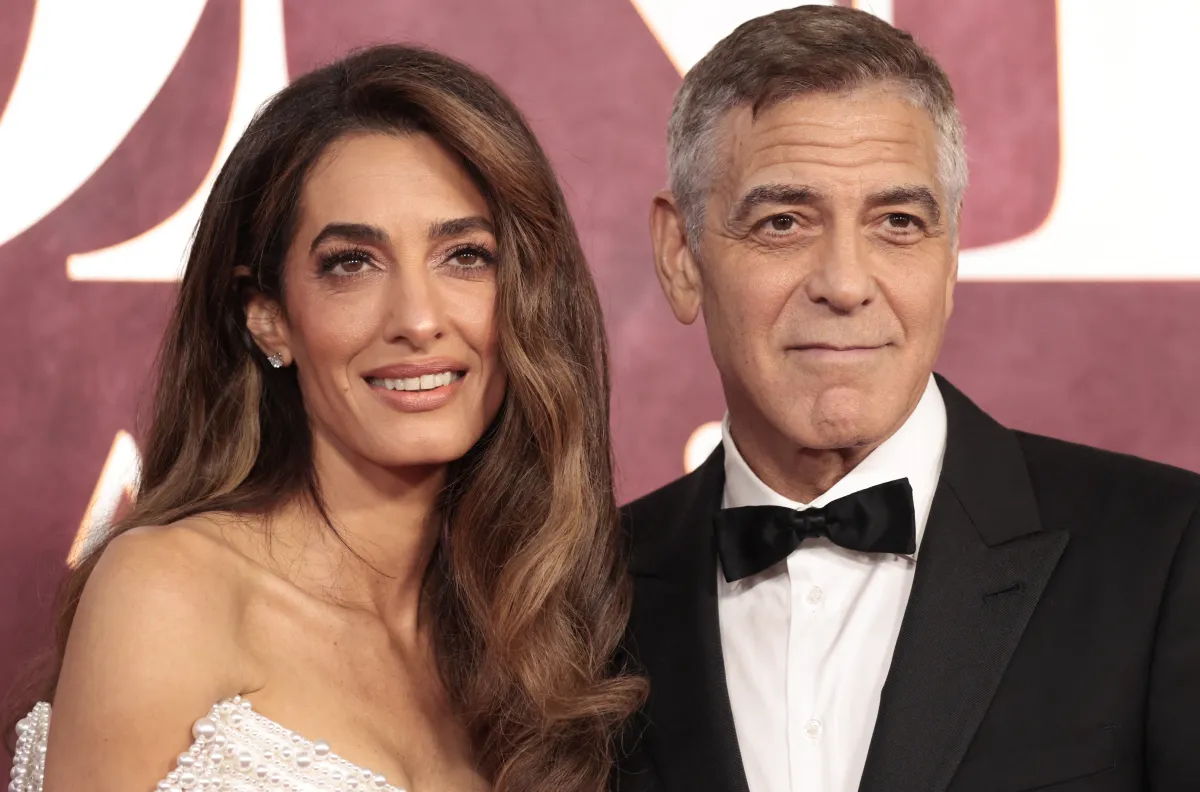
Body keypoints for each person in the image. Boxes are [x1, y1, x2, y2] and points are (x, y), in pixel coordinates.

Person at [6, 44, 645, 792]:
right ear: (268, 317)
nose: (417, 319)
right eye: (352, 263)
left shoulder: (526, 651)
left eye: (465, 256)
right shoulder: (171, 590)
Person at [614, 6, 1200, 792]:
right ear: (681, 255)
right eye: (784, 221)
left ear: (951, 253)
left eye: (897, 221)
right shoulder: (580, 597)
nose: (847, 284)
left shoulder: (1167, 557)